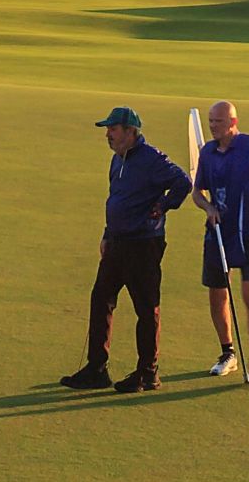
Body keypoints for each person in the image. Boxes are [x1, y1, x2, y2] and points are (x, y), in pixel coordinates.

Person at [61, 106, 190, 396]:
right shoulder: (116, 161)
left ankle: (148, 373)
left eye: (113, 129)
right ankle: (96, 368)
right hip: (117, 242)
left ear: (131, 132)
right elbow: (115, 199)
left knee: (145, 308)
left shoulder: (152, 159)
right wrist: (107, 234)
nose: (108, 135)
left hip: (143, 244)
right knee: (101, 299)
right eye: (107, 130)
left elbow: (183, 183)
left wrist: (163, 206)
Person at [193, 100, 249, 386]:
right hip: (218, 233)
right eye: (210, 121)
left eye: (217, 121)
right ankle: (227, 353)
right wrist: (208, 208)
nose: (212, 126)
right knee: (218, 295)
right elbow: (197, 192)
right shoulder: (207, 152)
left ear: (232, 122)